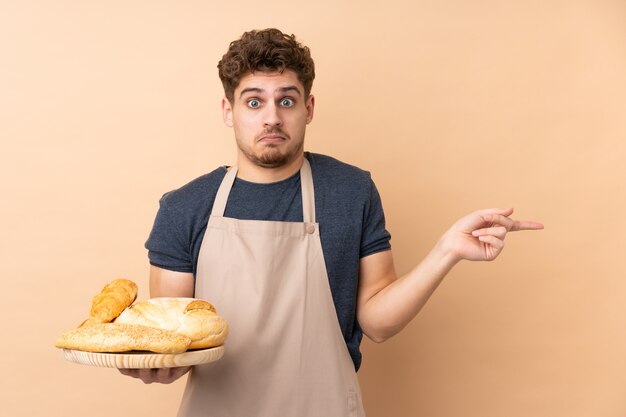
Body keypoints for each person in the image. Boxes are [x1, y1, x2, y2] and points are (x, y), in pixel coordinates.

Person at [120, 28, 543, 416]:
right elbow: (174, 339)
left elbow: (377, 323)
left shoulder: (351, 191)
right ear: (229, 111)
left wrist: (446, 251)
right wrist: (157, 364)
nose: (272, 117)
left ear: (309, 107)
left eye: (287, 100)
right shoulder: (184, 207)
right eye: (254, 102)